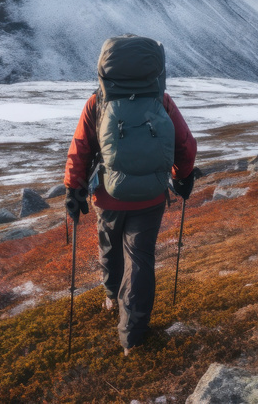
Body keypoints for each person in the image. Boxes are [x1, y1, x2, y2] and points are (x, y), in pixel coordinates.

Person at [63, 35, 197, 355]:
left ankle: (111, 296)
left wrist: (74, 189)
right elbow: (186, 145)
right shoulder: (161, 101)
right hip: (150, 196)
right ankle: (132, 338)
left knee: (109, 246)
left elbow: (80, 150)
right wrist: (181, 178)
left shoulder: (97, 102)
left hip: (109, 197)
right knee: (140, 260)